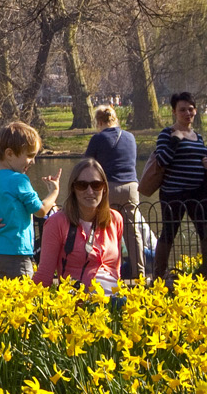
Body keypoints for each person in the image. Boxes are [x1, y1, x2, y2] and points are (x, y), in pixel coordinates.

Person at [0, 120, 61, 279]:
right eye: (30, 156)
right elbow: (41, 211)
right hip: (17, 253)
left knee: (1, 300)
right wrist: (54, 191)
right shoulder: (19, 180)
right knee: (22, 298)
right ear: (9, 154)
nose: (33, 161)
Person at [37, 158, 125, 295]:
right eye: (82, 185)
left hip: (114, 300)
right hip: (80, 302)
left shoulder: (115, 219)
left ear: (104, 188)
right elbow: (44, 276)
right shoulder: (57, 223)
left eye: (96, 185)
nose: (90, 191)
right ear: (73, 189)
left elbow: (116, 269)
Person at [149, 92, 207, 284]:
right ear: (174, 112)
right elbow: (162, 161)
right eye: (182, 110)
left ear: (196, 111)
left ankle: (204, 272)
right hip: (173, 192)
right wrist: (176, 140)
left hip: (198, 193)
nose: (187, 113)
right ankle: (159, 276)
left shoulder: (198, 137)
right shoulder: (167, 134)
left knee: (204, 230)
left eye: (191, 109)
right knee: (169, 232)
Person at [84, 104, 143, 280]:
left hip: (108, 186)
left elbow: (86, 164)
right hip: (131, 187)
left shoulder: (98, 138)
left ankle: (109, 272)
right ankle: (139, 272)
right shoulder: (130, 137)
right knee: (133, 231)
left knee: (105, 228)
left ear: (100, 122)